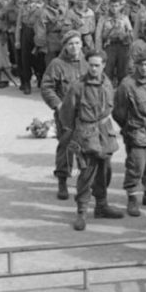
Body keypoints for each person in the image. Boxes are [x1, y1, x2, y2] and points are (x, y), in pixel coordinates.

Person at [60, 49, 124, 231]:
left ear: (104, 65)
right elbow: (66, 115)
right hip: (86, 133)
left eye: (97, 65)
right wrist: (74, 137)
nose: (94, 68)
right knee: (87, 173)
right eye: (91, 65)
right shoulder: (78, 86)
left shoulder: (107, 84)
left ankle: (102, 206)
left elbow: (111, 107)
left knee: (105, 171)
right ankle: (81, 211)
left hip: (104, 132)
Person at [112, 47, 146, 217]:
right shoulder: (127, 85)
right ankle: (132, 198)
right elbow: (118, 112)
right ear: (135, 65)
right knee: (136, 166)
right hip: (136, 131)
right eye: (141, 65)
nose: (144, 68)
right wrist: (128, 127)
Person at [41, 30, 88, 200]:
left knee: (87, 149)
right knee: (66, 148)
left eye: (76, 43)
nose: (74, 47)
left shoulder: (88, 62)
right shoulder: (57, 64)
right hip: (65, 115)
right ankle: (62, 181)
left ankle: (85, 184)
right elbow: (46, 87)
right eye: (70, 44)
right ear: (65, 47)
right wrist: (58, 105)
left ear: (81, 44)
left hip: (85, 114)